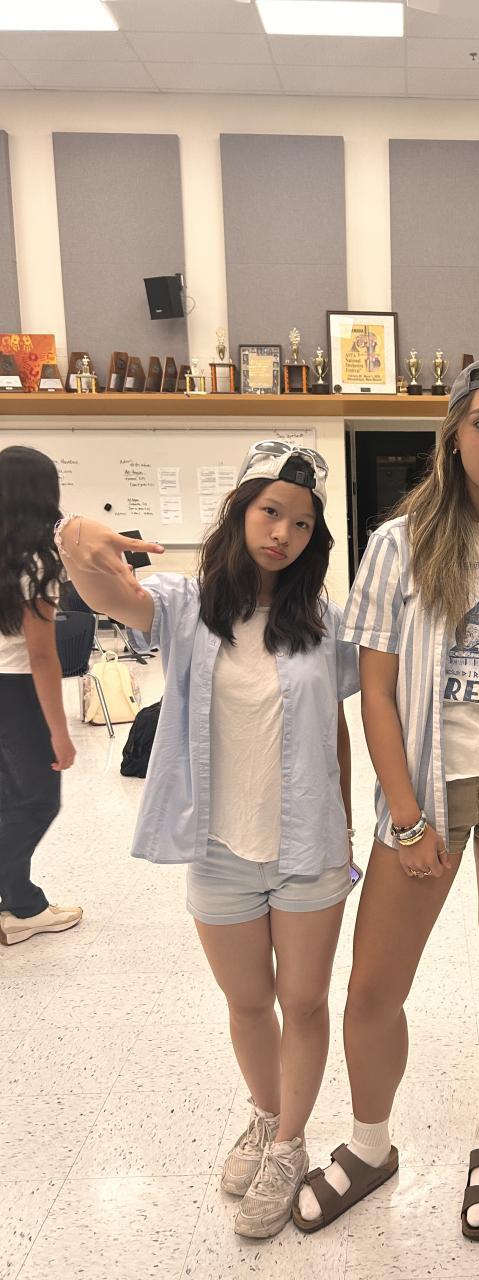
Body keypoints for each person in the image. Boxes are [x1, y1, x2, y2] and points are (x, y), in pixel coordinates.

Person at [294, 359, 479, 1240]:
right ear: (455, 436)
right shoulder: (399, 546)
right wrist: (406, 817)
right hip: (423, 793)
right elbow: (376, 694)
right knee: (372, 989)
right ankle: (369, 1146)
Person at [55, 442, 359, 1240]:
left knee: (303, 1002)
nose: (283, 533)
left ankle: (289, 1144)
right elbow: (102, 590)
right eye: (271, 512)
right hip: (220, 850)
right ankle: (265, 1113)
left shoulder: (324, 624)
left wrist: (348, 821)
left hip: (309, 848)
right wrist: (75, 535)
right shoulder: (186, 605)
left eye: (302, 523)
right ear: (240, 511)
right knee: (249, 1003)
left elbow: (336, 725)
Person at [0, 445, 81, 946]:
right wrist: (60, 733)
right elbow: (42, 656)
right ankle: (23, 907)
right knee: (37, 801)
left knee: (8, 797)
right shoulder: (35, 559)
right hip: (16, 688)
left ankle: (16, 901)